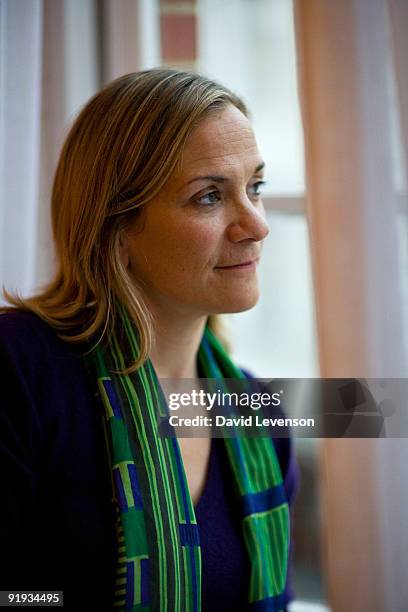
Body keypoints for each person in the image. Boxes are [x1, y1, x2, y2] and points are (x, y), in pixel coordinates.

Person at [0, 69, 299, 611]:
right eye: (210, 196)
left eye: (254, 187)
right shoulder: (18, 369)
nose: (256, 224)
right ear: (115, 226)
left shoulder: (261, 413)